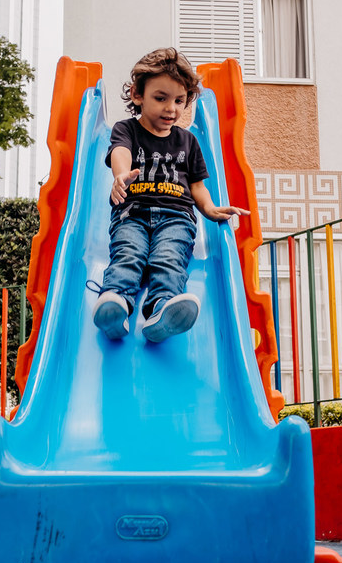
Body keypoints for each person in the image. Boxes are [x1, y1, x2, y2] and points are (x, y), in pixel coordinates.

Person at [93, 48, 249, 343]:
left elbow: (197, 186)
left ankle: (162, 311)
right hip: (132, 213)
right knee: (128, 254)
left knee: (168, 259)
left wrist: (210, 209)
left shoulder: (187, 141)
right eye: (160, 98)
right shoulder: (127, 129)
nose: (171, 109)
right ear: (138, 95)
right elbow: (121, 152)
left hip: (177, 217)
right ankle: (115, 304)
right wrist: (121, 175)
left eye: (179, 101)